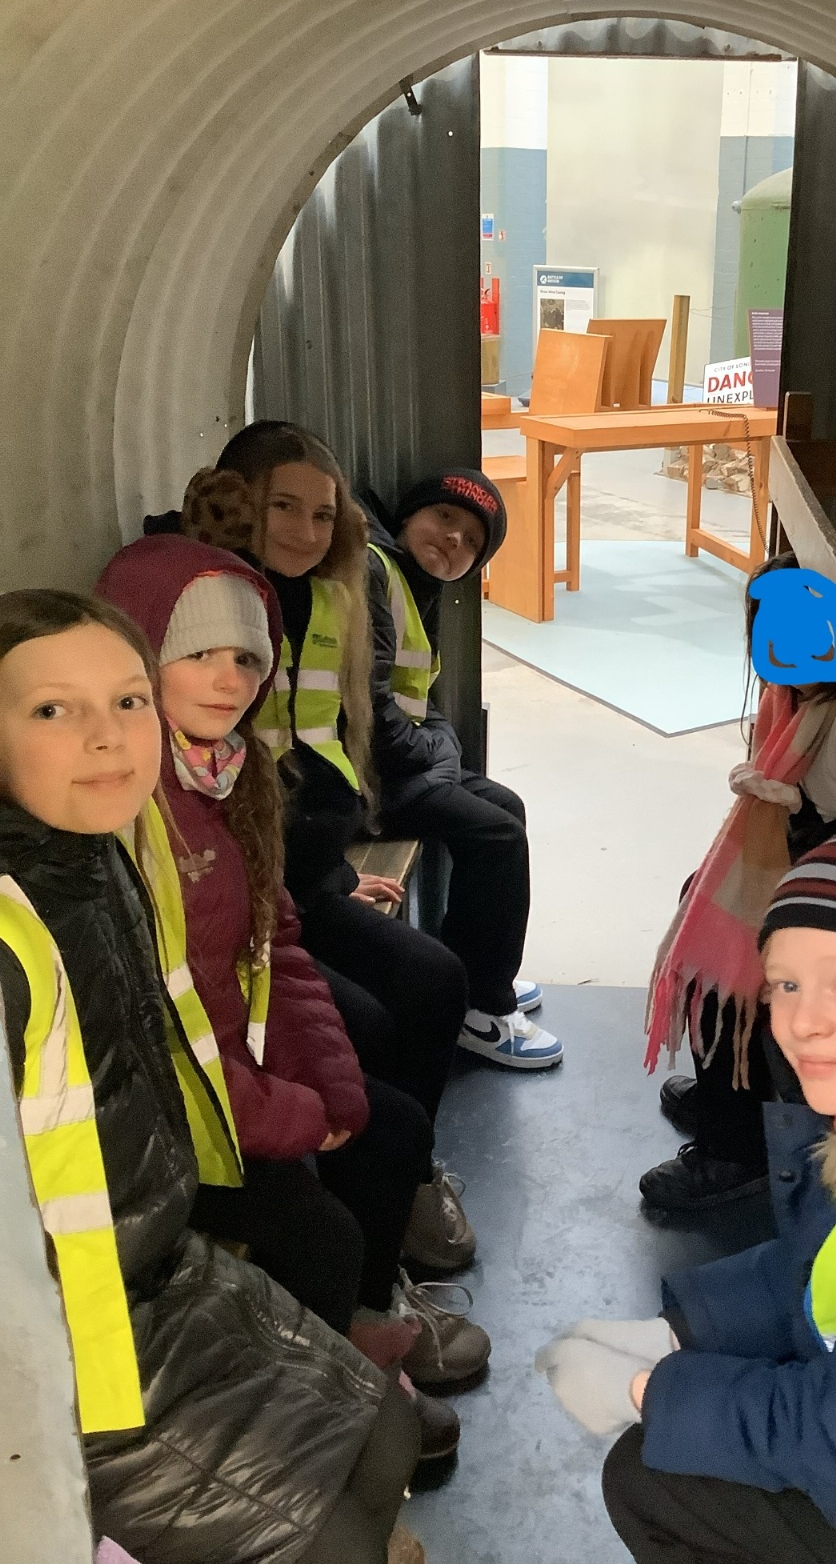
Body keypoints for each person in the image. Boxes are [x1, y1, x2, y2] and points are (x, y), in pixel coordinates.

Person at [0, 588, 424, 1564]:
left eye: (127, 701)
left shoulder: (101, 857)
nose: (107, 737)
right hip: (78, 1353)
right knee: (333, 1537)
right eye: (55, 709)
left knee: (387, 1431)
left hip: (158, 1264)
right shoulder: (14, 928)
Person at [96, 535, 490, 1419]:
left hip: (231, 1063)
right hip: (175, 1113)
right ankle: (341, 1397)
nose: (229, 679)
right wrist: (290, 1110)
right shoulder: (123, 804)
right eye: (197, 653)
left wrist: (328, 1082)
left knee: (385, 1117)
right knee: (322, 1232)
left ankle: (370, 1319)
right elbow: (156, 1025)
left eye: (247, 657)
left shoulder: (228, 776)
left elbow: (273, 940)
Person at [542, 810, 836, 1564]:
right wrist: (684, 1332)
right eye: (786, 984)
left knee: (653, 1481)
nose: (804, 1021)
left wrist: (650, 1391)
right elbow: (821, 1271)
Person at [187, 425, 475, 1271]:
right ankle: (367, 1209)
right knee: (371, 1027)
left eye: (322, 513)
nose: (306, 531)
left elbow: (326, 743)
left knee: (437, 979)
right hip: (255, 897)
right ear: (238, 503)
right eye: (283, 506)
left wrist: (340, 873)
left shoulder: (334, 592)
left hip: (305, 876)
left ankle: (405, 1181)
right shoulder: (208, 609)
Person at [640, 554, 836, 1212]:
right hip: (812, 861)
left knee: (733, 953)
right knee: (702, 901)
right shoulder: (795, 699)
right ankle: (728, 1095)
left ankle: (736, 1149)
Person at [360, 471, 563, 1070]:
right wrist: (435, 756)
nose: (454, 539)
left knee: (506, 808)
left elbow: (421, 702)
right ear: (408, 517)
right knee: (497, 836)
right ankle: (482, 1010)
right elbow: (369, 710)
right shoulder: (373, 573)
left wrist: (439, 750)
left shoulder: (412, 585)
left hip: (396, 766)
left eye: (473, 540)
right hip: (360, 779)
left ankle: (476, 974)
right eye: (444, 518)